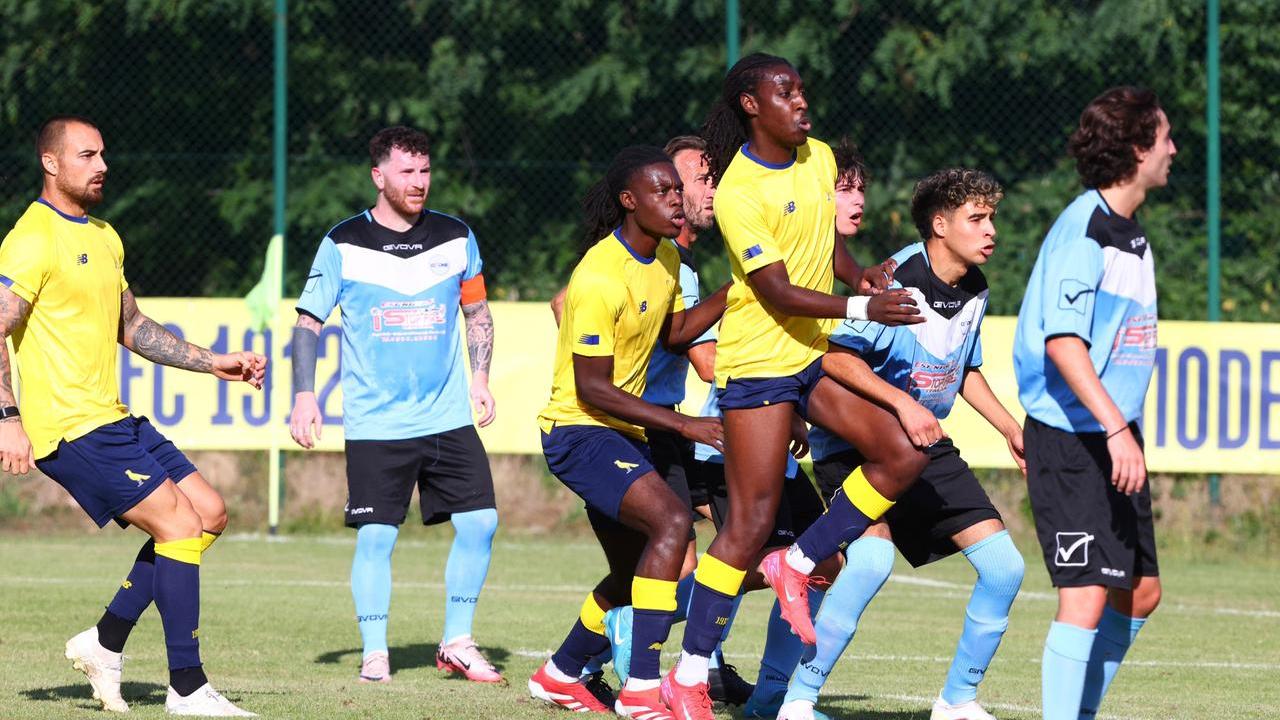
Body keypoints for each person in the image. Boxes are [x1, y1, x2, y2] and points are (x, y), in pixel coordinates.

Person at [669, 53, 930, 720]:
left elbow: (824, 248)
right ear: (752, 105)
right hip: (758, 368)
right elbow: (777, 290)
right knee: (750, 525)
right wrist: (864, 309)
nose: (801, 101)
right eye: (784, 92)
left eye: (802, 89)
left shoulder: (816, 158)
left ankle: (800, 560)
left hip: (808, 357)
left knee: (902, 452)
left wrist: (861, 274)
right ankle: (688, 676)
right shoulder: (737, 190)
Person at [0, 115, 264, 716]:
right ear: (51, 163)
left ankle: (104, 640)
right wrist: (6, 417)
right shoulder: (31, 237)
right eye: (87, 155)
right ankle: (188, 688)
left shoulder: (105, 235)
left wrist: (213, 362)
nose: (102, 166)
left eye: (103, 155)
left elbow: (134, 326)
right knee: (177, 527)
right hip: (70, 427)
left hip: (115, 417)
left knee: (208, 514)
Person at [780, 167, 1027, 720]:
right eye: (977, 219)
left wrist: (1012, 428)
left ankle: (957, 703)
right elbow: (836, 358)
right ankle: (798, 701)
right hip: (857, 446)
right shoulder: (898, 277)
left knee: (1005, 569)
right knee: (868, 564)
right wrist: (902, 404)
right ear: (940, 224)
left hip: (926, 445)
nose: (991, 230)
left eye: (992, 218)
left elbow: (965, 371)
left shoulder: (974, 287)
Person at [289, 126, 502, 685]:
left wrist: (480, 378)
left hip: (447, 415)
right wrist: (305, 395)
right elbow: (308, 324)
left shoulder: (458, 237)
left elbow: (476, 314)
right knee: (378, 535)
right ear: (378, 176)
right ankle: (375, 651)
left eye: (425, 171)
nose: (419, 183)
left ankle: (458, 640)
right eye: (407, 172)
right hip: (377, 421)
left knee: (481, 521)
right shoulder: (342, 243)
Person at [528, 146, 727, 720]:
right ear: (628, 201)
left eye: (676, 189)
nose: (676, 200)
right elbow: (593, 389)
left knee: (632, 568)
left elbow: (673, 333)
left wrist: (735, 291)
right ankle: (642, 689)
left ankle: (560, 673)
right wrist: (686, 422)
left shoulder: (665, 259)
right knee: (672, 524)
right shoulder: (597, 275)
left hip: (622, 432)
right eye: (662, 192)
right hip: (580, 431)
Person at [1013, 86, 1173, 720]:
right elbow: (1063, 344)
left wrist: (1121, 429)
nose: (1173, 149)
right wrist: (1114, 429)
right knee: (1083, 596)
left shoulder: (1130, 234)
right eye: (1164, 138)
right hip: (1072, 438)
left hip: (1109, 436)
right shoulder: (1085, 231)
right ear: (1137, 148)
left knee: (1140, 594)